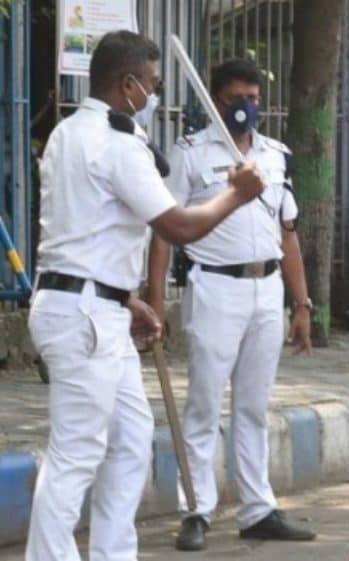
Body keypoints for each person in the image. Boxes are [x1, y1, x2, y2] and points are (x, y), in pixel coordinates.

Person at [26, 30, 265, 561]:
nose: (154, 94)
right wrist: (236, 194)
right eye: (151, 83)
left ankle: (114, 554)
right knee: (76, 453)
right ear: (128, 83)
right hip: (84, 315)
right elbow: (179, 225)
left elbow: (83, 231)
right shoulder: (116, 143)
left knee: (131, 439)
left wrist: (124, 298)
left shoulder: (68, 132)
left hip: (91, 305)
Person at [146, 58, 314, 551]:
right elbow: (163, 232)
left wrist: (301, 304)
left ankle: (257, 508)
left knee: (254, 407)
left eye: (253, 99)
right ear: (215, 100)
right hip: (216, 288)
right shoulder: (191, 154)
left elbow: (289, 234)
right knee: (203, 403)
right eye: (235, 98)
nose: (245, 108)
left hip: (267, 290)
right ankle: (196, 508)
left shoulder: (275, 155)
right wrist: (155, 300)